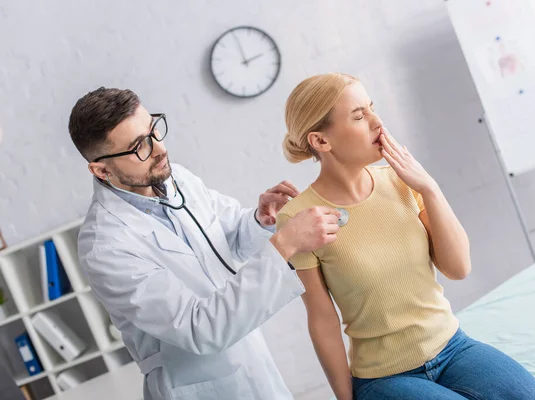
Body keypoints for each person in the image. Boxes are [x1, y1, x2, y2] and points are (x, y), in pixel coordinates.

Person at [276, 73, 535, 400]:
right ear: (321, 141)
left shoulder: (402, 181)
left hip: (454, 348)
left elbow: (458, 268)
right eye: (359, 116)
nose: (377, 122)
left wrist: (429, 188)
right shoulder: (299, 217)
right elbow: (322, 321)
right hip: (383, 378)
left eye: (372, 108)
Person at [68, 87, 341, 400]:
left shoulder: (176, 180)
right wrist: (285, 245)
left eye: (154, 130)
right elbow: (200, 329)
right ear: (102, 170)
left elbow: (225, 244)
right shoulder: (105, 247)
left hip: (253, 369)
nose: (159, 149)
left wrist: (258, 221)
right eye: (139, 147)